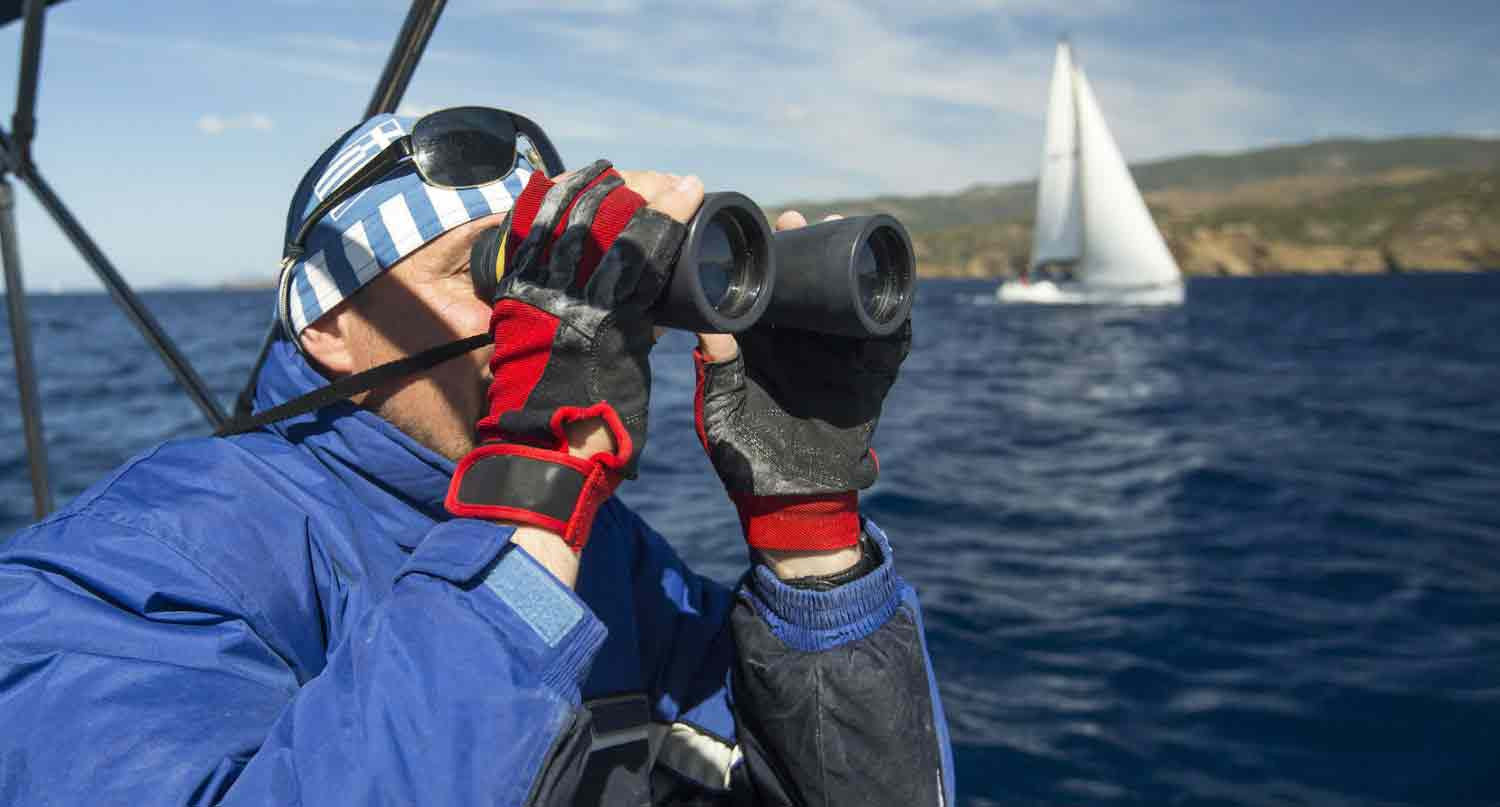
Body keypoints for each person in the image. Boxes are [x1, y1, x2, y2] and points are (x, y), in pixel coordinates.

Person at [0, 110, 953, 805]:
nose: (532, 311)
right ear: (330, 327)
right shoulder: (130, 566)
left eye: (551, 272)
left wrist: (812, 546)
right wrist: (531, 493)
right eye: (493, 273)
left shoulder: (609, 556)